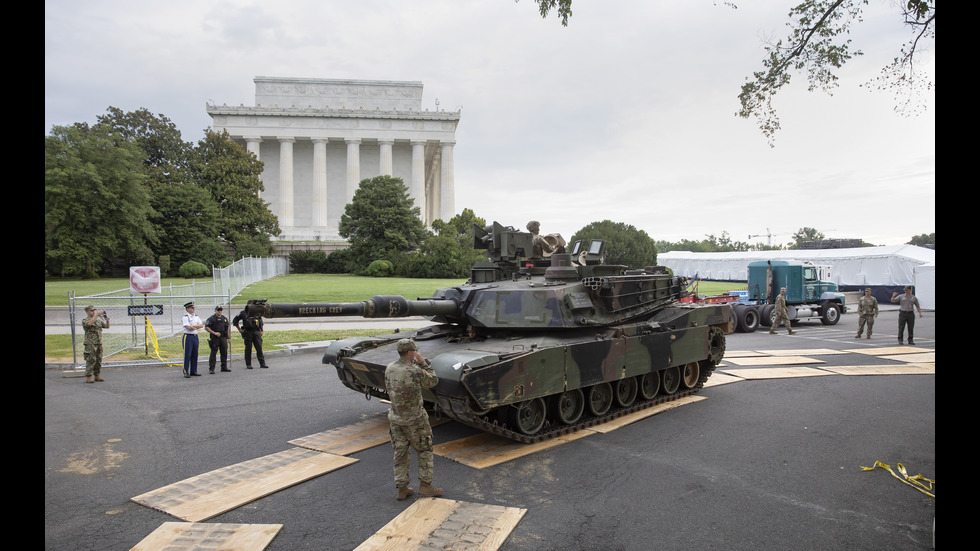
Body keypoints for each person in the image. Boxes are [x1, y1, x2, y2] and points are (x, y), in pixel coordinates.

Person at [385, 338, 443, 501]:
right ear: (410, 353)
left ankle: (402, 489)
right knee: (425, 449)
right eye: (415, 351)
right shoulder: (415, 370)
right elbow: (432, 380)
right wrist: (424, 363)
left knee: (400, 451)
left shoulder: (390, 368)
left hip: (396, 417)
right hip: (415, 419)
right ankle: (425, 486)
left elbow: (388, 388)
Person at [233, 301, 269, 369]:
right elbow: (235, 320)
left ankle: (262, 363)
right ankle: (248, 364)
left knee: (259, 348)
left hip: (256, 332)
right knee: (248, 349)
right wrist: (239, 329)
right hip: (248, 332)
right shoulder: (243, 312)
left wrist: (262, 330)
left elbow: (260, 322)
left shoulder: (256, 312)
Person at [82, 305, 110, 383]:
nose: (93, 312)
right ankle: (88, 376)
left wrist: (107, 319)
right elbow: (89, 324)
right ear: (87, 312)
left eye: (94, 311)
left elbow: (107, 326)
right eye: (91, 311)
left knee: (98, 359)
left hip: (98, 342)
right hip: (90, 343)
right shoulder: (85, 320)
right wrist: (97, 315)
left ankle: (97, 375)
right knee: (91, 359)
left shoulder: (98, 320)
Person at [181, 301, 205, 378]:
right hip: (188, 336)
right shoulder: (185, 317)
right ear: (187, 309)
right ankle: (186, 371)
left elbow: (201, 325)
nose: (193, 309)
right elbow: (188, 327)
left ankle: (193, 371)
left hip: (195, 336)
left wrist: (193, 326)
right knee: (187, 354)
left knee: (195, 354)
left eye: (194, 307)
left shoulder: (196, 317)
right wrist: (195, 327)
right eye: (191, 308)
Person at [205, 305, 231, 373]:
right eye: (218, 310)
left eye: (220, 310)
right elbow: (207, 327)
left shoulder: (224, 319)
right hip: (215, 338)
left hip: (223, 337)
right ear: (215, 311)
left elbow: (227, 328)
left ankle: (224, 367)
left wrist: (228, 337)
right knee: (213, 353)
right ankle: (212, 368)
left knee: (224, 352)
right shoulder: (211, 319)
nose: (219, 311)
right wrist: (214, 333)